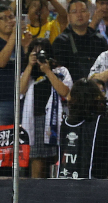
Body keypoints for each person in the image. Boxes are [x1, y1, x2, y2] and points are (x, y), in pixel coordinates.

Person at [21, 38, 73, 178]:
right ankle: (35, 192)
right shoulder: (29, 73)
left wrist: (48, 71)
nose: (39, 57)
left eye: (41, 53)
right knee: (37, 158)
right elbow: (20, 90)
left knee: (59, 157)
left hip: (57, 120)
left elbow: (65, 92)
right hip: (35, 121)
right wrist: (30, 66)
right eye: (35, 53)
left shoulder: (61, 71)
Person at [57, 79, 108, 179]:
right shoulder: (105, 124)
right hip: (95, 189)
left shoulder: (65, 124)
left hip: (66, 187)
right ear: (96, 98)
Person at [0, 5, 32, 125]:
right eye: (3, 18)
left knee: (24, 141)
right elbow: (1, 62)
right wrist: (15, 35)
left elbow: (27, 69)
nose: (9, 21)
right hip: (0, 102)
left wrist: (26, 47)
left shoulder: (21, 42)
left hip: (24, 100)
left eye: (11, 17)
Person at [52, 0, 108, 82]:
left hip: (97, 89)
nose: (79, 15)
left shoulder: (99, 40)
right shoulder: (61, 42)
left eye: (83, 11)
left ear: (89, 14)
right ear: (68, 16)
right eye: (74, 12)